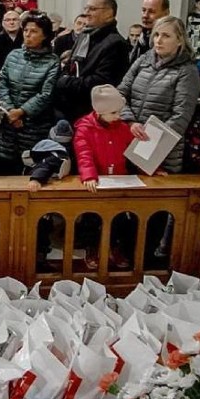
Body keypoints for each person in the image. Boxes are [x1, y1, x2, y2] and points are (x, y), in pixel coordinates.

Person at [118, 16, 200, 173]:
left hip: (161, 151)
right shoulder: (144, 60)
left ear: (180, 40)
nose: (159, 40)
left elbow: (181, 117)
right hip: (128, 137)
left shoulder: (187, 71)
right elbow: (120, 93)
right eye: (156, 34)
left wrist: (147, 142)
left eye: (166, 36)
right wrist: (130, 121)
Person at [73, 85, 136, 269]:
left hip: (119, 180)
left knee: (119, 219)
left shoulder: (122, 127)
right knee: (93, 217)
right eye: (114, 112)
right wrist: (89, 176)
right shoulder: (85, 129)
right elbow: (84, 154)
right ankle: (92, 247)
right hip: (97, 181)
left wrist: (155, 170)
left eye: (119, 111)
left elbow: (136, 152)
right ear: (100, 112)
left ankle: (115, 247)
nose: (119, 116)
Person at [0, 11, 59, 174]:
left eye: (34, 31)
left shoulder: (52, 62)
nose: (28, 35)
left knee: (30, 168)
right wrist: (10, 111)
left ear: (45, 36)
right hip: (9, 123)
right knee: (4, 171)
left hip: (35, 126)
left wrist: (22, 112)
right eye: (26, 31)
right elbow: (3, 83)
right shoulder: (13, 55)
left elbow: (46, 94)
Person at [53, 0, 129, 123]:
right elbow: (72, 64)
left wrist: (64, 82)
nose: (87, 13)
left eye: (92, 9)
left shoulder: (116, 43)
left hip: (90, 114)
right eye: (86, 8)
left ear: (109, 13)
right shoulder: (85, 35)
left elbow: (101, 82)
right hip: (69, 109)